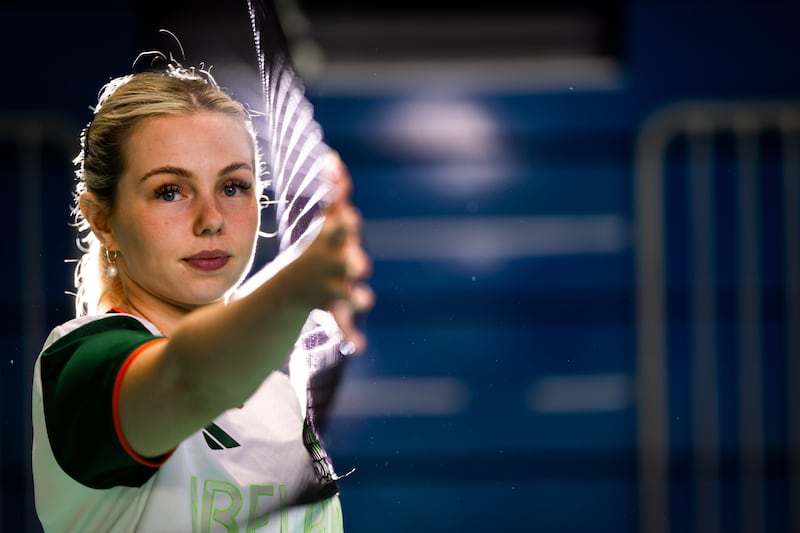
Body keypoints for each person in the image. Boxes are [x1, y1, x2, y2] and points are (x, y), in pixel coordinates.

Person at [31, 58, 373, 532]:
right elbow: (188, 379)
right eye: (170, 191)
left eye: (233, 186)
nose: (211, 218)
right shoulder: (84, 364)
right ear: (102, 219)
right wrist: (293, 289)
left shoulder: (275, 391)